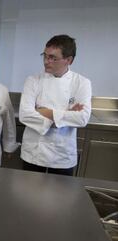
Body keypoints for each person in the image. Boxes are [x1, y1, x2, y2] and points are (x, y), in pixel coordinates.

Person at [19, 34, 92, 176]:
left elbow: (82, 118)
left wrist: (42, 111)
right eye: (45, 56)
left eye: (53, 58)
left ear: (69, 60)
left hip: (62, 155)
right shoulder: (33, 80)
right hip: (34, 152)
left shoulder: (82, 83)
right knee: (28, 195)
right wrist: (66, 115)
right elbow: (25, 114)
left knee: (61, 197)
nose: (47, 61)